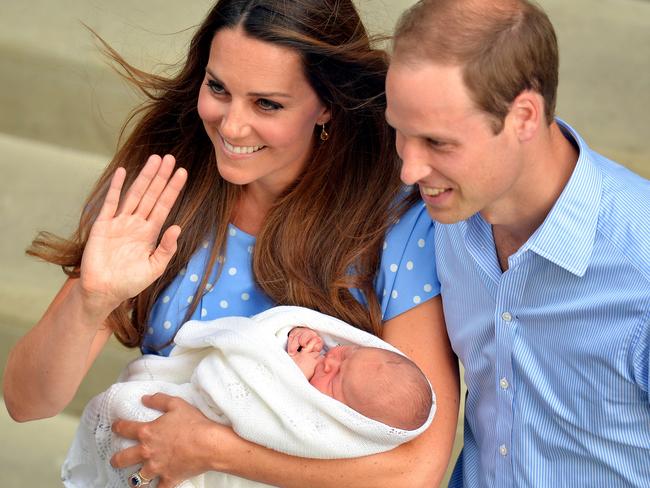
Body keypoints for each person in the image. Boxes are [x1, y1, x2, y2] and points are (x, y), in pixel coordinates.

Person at [3, 1, 459, 487]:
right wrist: (89, 303)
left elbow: (416, 471)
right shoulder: (165, 189)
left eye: (267, 104)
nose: (232, 126)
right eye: (218, 88)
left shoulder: (396, 225)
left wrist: (215, 449)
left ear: (327, 104)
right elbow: (27, 402)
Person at [386, 0, 650, 486]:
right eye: (400, 133)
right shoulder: (433, 213)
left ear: (524, 116)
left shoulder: (642, 266)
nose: (410, 169)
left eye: (438, 143)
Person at [63, 306, 436, 488]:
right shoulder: (321, 358)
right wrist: (288, 340)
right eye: (348, 354)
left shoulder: (325, 432)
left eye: (336, 378)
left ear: (351, 420)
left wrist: (287, 368)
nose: (330, 358)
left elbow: (238, 393)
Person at [288, 324, 433, 431]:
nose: (329, 362)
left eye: (335, 379)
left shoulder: (322, 426)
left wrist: (294, 374)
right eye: (344, 354)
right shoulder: (324, 356)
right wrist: (302, 335)